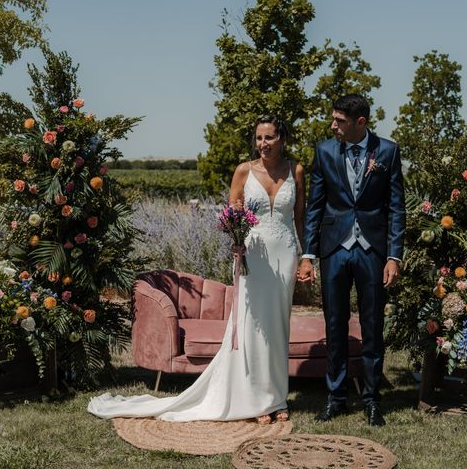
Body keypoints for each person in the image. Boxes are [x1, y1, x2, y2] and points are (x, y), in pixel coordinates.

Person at [88, 114, 306, 424]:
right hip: (253, 256)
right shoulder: (244, 171)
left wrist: (306, 255)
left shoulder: (295, 170)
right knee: (250, 327)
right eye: (258, 138)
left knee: (277, 326)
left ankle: (277, 398)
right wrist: (235, 237)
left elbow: (300, 218)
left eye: (269, 137)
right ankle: (255, 398)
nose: (263, 144)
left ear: (282, 138)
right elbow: (231, 215)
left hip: (284, 254)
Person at [298, 94, 405, 427]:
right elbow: (314, 207)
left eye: (339, 121)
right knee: (335, 324)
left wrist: (393, 255)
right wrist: (308, 254)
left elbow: (396, 208)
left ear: (361, 123)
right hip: (335, 248)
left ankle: (372, 400)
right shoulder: (325, 151)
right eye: (333, 119)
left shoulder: (387, 151)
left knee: (372, 326)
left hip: (372, 249)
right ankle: (336, 397)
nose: (333, 126)